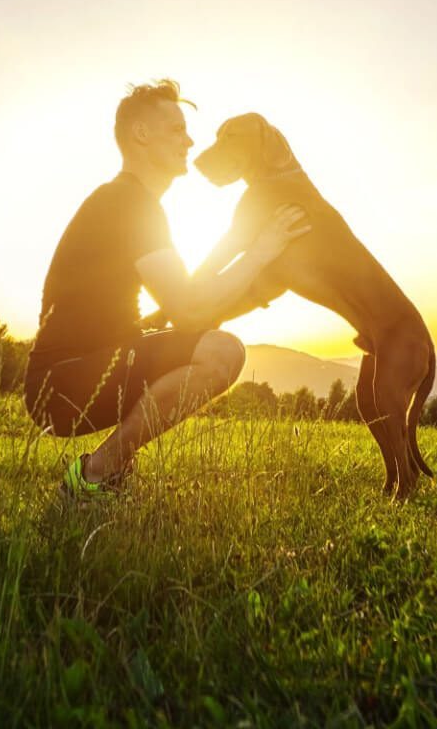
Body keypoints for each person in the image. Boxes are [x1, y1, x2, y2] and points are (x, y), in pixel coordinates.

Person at [23, 79, 310, 499]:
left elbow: (184, 305)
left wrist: (249, 273)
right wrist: (261, 251)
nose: (190, 141)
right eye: (176, 129)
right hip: (61, 384)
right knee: (223, 351)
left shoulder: (133, 203)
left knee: (210, 341)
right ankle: (95, 476)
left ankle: (107, 469)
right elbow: (190, 310)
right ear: (141, 135)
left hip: (91, 369)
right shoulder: (127, 203)